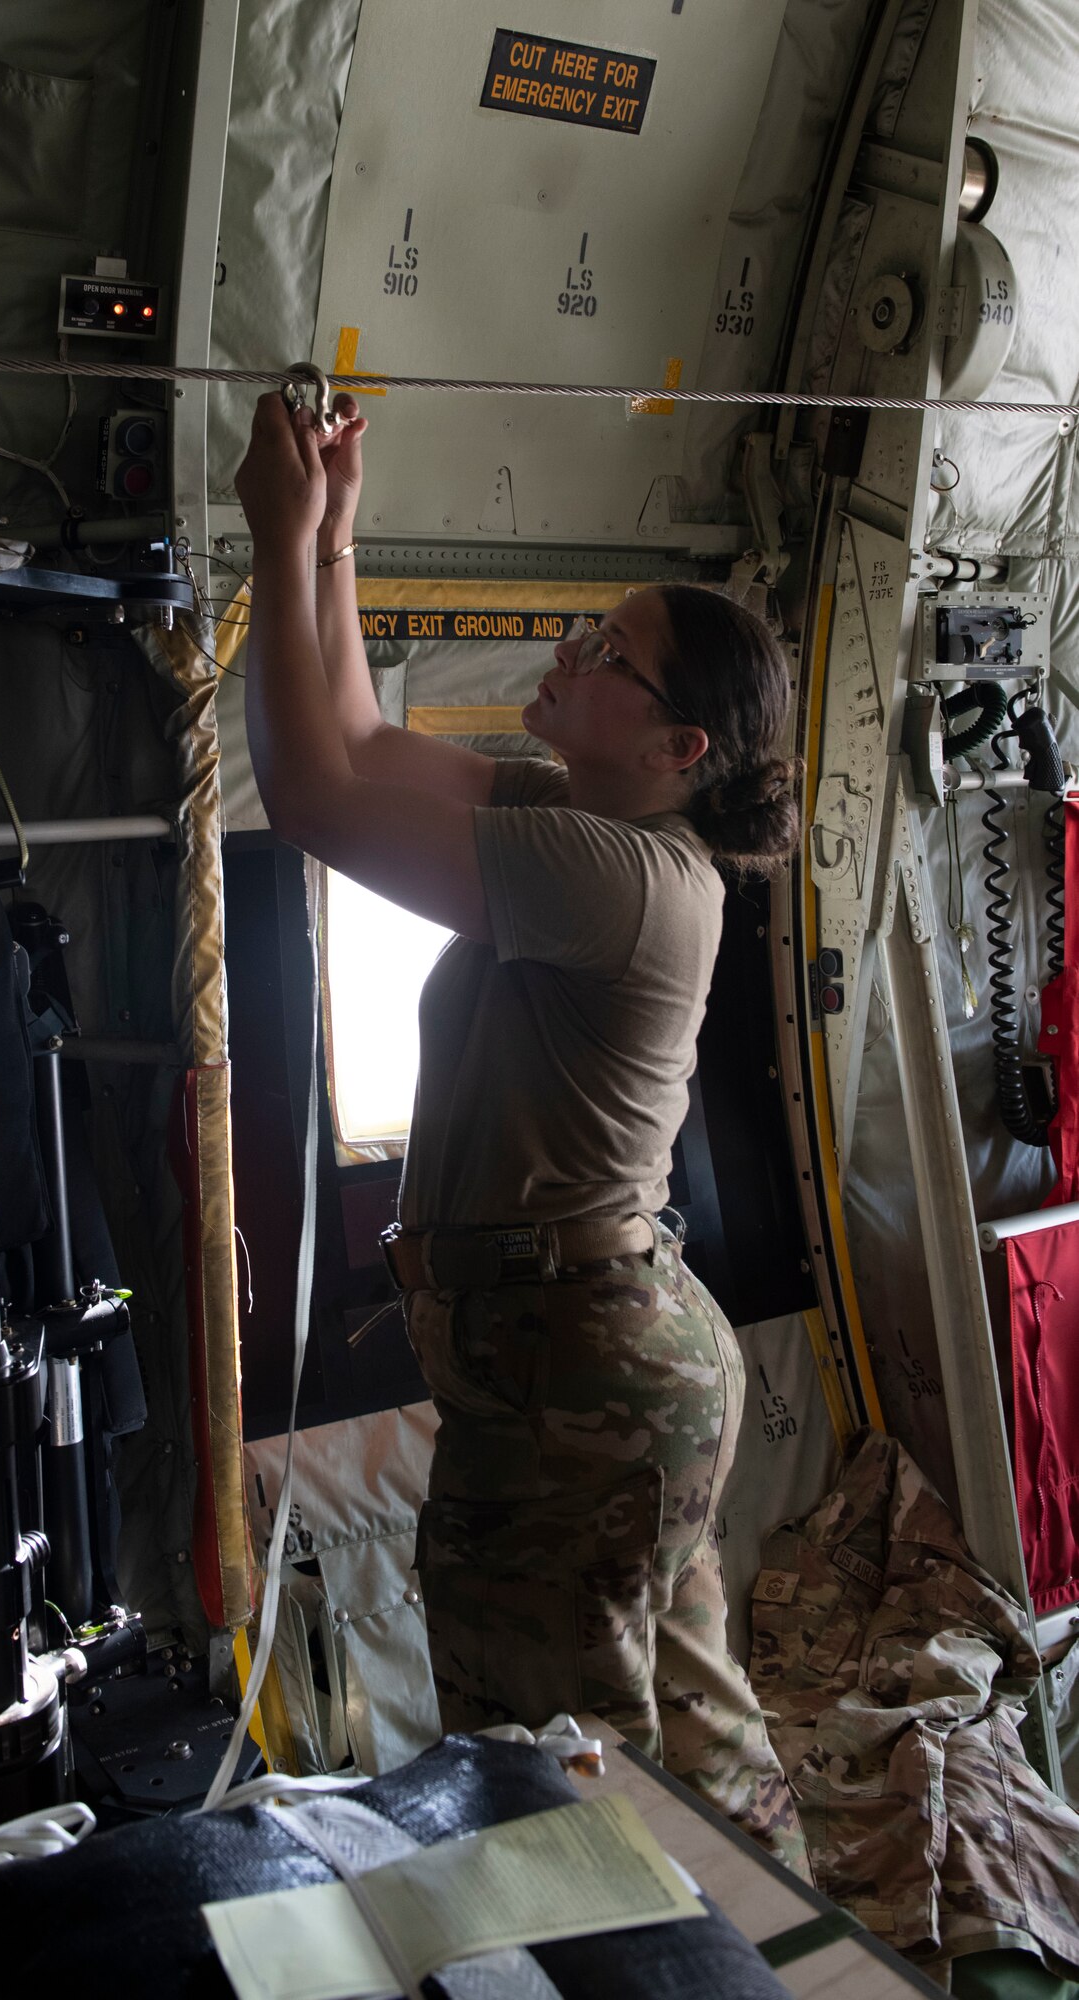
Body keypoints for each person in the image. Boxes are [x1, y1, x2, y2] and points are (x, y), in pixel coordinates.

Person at [234, 388, 811, 1878]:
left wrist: (275, 536)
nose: (567, 654)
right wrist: (339, 543)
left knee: (555, 1776)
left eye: (604, 655)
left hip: (582, 1392)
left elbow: (306, 794)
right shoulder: (587, 827)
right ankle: (801, 1959)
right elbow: (358, 737)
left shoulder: (614, 876)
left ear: (679, 743)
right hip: (609, 1374)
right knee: (684, 1730)